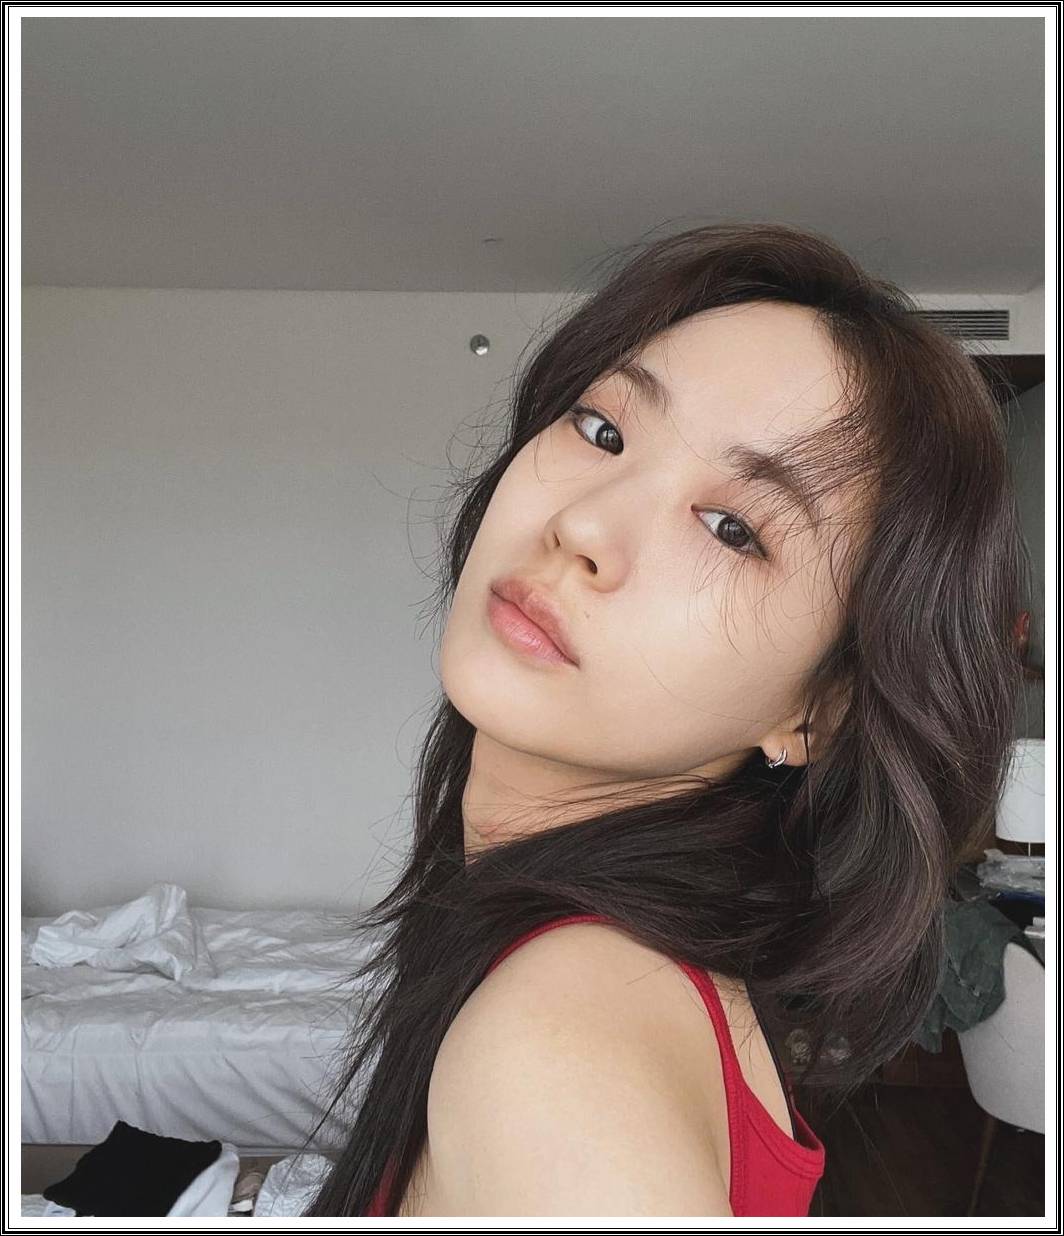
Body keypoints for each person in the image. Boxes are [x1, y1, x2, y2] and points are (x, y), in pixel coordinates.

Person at [303, 222, 1029, 1217]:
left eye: (733, 529)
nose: (582, 525)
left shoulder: (558, 1046)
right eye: (601, 429)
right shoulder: (607, 978)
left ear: (820, 709)